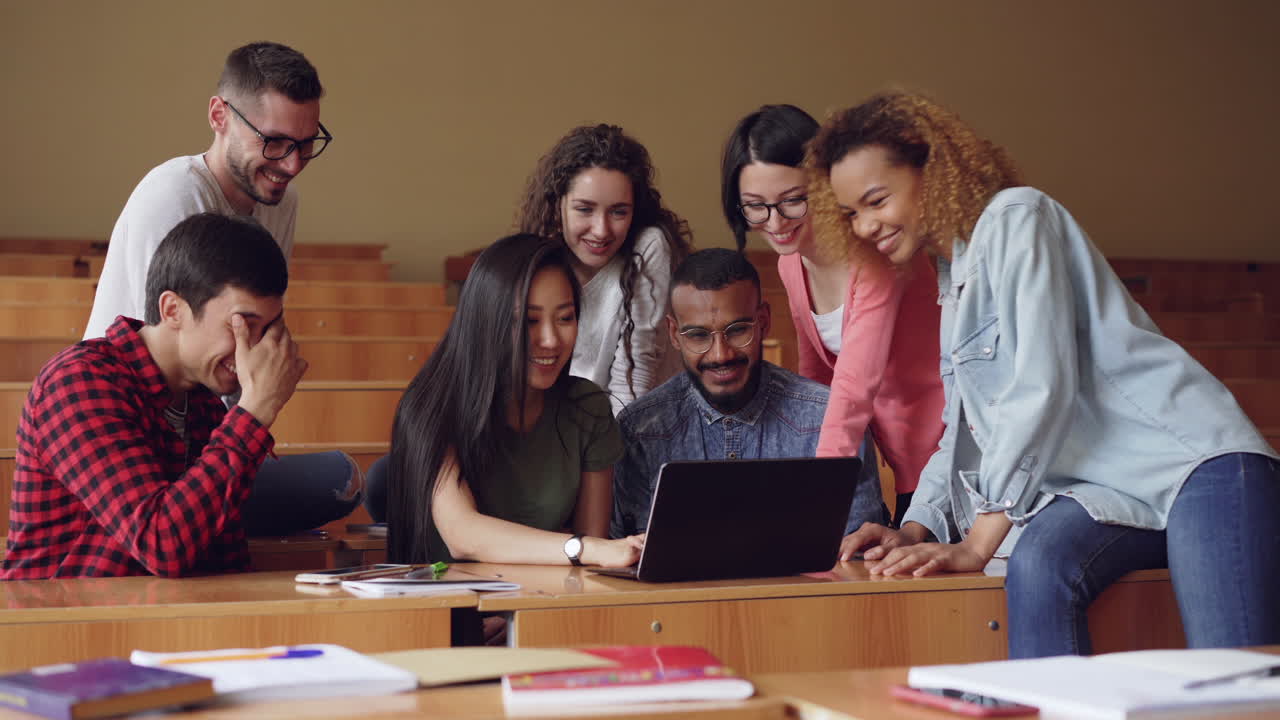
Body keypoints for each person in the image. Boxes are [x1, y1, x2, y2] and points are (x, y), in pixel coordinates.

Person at [824, 91, 1280, 657]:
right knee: (1040, 559)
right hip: (1109, 490)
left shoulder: (1017, 217)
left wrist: (976, 544)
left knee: (1231, 680)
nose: (864, 226)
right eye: (850, 214)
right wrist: (915, 530)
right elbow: (964, 433)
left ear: (932, 169)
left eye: (875, 200)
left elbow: (1042, 389)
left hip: (1199, 466)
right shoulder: (952, 276)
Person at [81, 41, 358, 535]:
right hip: (145, 440)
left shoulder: (281, 200)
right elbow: (180, 347)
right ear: (219, 116)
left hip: (209, 421)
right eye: (274, 142)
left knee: (352, 482)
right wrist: (250, 422)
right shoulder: (172, 195)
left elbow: (256, 337)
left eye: (306, 144)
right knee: (338, 478)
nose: (292, 164)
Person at [3, 213, 307, 579]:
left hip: (158, 621)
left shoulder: (205, 405)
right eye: (242, 324)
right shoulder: (79, 381)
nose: (253, 349)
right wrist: (255, 412)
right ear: (172, 310)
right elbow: (162, 545)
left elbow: (225, 559)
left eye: (268, 329)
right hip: (66, 627)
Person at [721, 105, 944, 525]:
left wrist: (816, 495)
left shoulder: (876, 256)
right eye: (756, 206)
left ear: (825, 185)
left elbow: (853, 387)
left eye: (792, 201)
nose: (776, 222)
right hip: (898, 457)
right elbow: (816, 381)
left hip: (948, 453)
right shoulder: (791, 264)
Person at [383, 233, 644, 568]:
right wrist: (585, 549)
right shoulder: (430, 406)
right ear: (487, 322)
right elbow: (463, 536)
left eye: (565, 318)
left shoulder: (586, 407)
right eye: (528, 321)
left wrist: (591, 552)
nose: (550, 340)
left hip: (545, 605)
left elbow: (589, 561)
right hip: (452, 608)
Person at [611, 248, 884, 538]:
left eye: (737, 330)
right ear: (674, 333)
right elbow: (633, 559)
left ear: (764, 321)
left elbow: (859, 555)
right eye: (698, 335)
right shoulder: (639, 428)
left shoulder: (829, 417)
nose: (720, 354)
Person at [516, 124, 693, 415]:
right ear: (557, 205)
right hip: (569, 431)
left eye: (618, 212)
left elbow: (634, 382)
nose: (601, 230)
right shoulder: (539, 258)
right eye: (585, 209)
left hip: (634, 427)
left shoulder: (647, 246)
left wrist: (596, 457)